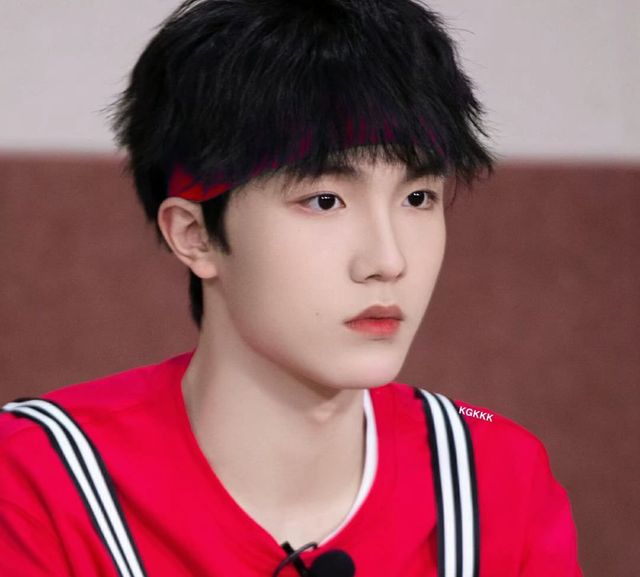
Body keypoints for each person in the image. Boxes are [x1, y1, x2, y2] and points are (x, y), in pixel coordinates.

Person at [0, 0, 583, 575]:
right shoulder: (36, 477)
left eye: (417, 197)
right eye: (324, 200)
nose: (388, 260)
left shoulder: (494, 473)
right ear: (194, 235)